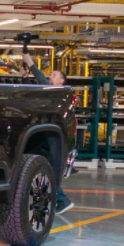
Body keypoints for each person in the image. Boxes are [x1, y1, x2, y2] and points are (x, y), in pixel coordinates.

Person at [23, 53, 74, 214]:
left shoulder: (59, 93)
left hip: (54, 141)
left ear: (62, 81)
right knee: (40, 169)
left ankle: (62, 201)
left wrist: (31, 64)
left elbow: (42, 83)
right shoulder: (50, 93)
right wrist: (25, 78)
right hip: (44, 139)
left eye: (54, 75)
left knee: (50, 170)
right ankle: (58, 200)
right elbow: (34, 90)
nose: (50, 77)